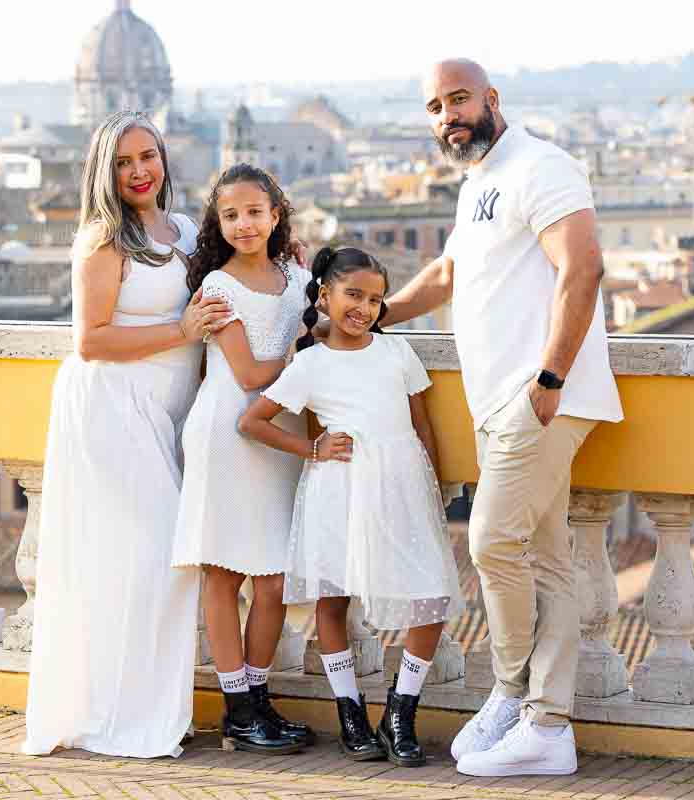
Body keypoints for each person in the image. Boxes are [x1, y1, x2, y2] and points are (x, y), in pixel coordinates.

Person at [381, 59, 624, 777]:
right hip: (501, 403)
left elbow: (583, 267)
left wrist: (548, 379)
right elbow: (449, 276)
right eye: (434, 106)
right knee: (545, 561)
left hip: (540, 398)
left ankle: (512, 693)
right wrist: (373, 316)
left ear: (491, 98)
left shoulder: (542, 166)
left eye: (458, 99)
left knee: (489, 543)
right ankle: (546, 726)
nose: (447, 115)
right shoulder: (478, 183)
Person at [23, 111, 232, 758]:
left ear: (165, 159)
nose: (139, 170)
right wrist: (183, 332)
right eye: (123, 161)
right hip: (111, 407)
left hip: (165, 412)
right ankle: (127, 718)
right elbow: (90, 340)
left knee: (144, 563)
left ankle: (142, 711)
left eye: (148, 156)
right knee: (152, 558)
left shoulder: (188, 230)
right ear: (104, 171)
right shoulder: (101, 239)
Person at [239, 246, 465, 767]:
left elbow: (421, 425)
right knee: (334, 599)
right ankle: (349, 711)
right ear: (325, 295)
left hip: (401, 486)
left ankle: (401, 711)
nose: (364, 308)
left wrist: (430, 487)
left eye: (375, 300)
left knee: (430, 597)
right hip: (337, 489)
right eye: (353, 295)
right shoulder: (310, 364)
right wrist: (311, 448)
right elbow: (253, 421)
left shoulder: (397, 353)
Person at [171, 164, 315, 755]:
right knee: (224, 575)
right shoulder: (218, 289)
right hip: (228, 433)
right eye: (231, 215)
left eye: (255, 211)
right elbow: (252, 374)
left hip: (277, 438)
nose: (244, 223)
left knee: (275, 581)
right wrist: (307, 353)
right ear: (218, 222)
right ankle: (237, 710)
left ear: (276, 215)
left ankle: (258, 699)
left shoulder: (297, 276)